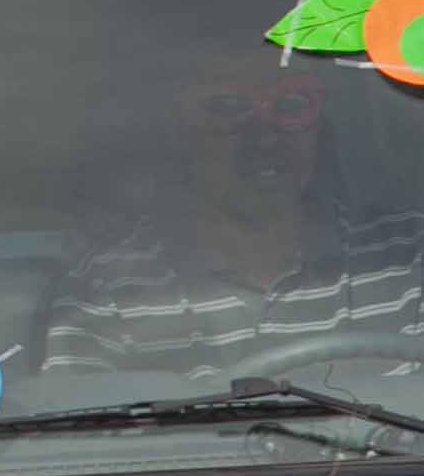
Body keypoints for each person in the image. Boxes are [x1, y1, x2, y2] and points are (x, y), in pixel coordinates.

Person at [40, 69, 424, 380]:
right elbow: (83, 446)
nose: (266, 137)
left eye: (290, 106)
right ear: (180, 134)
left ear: (317, 130)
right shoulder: (109, 286)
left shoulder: (407, 257)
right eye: (227, 108)